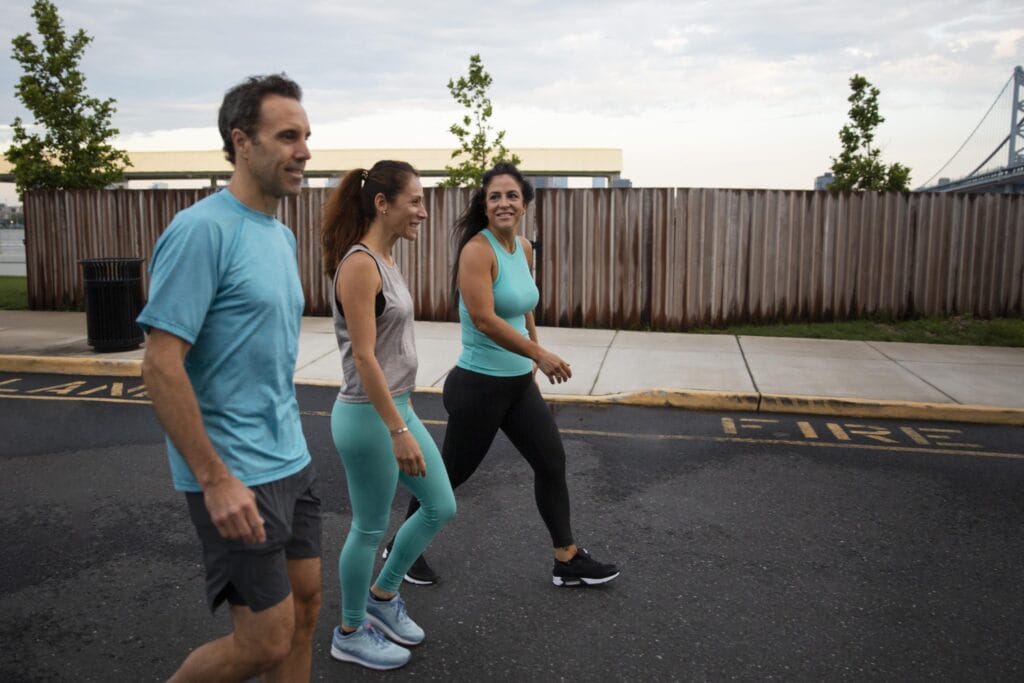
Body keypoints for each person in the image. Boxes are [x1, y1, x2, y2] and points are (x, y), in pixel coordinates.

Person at [137, 74, 322, 682]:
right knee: (264, 641)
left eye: (307, 136)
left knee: (306, 606)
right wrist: (214, 480)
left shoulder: (279, 233)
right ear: (241, 142)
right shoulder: (201, 231)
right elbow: (160, 364)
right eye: (288, 136)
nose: (304, 151)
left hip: (289, 459)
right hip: (235, 470)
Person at [395, 162, 619, 588]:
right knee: (450, 475)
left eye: (511, 195)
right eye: (494, 196)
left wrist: (531, 360)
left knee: (551, 461)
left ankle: (566, 558)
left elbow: (522, 306)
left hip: (516, 384)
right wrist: (541, 352)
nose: (503, 203)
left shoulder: (523, 248)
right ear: (484, 203)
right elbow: (483, 318)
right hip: (479, 387)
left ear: (525, 204)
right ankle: (401, 550)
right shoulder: (477, 251)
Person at [320, 160, 456, 670]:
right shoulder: (360, 265)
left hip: (397, 408)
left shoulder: (387, 260)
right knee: (369, 528)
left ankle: (383, 597)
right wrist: (397, 430)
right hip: (369, 417)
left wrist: (402, 418)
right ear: (383, 203)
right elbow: (363, 356)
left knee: (441, 505)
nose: (423, 210)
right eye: (415, 201)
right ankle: (350, 629)